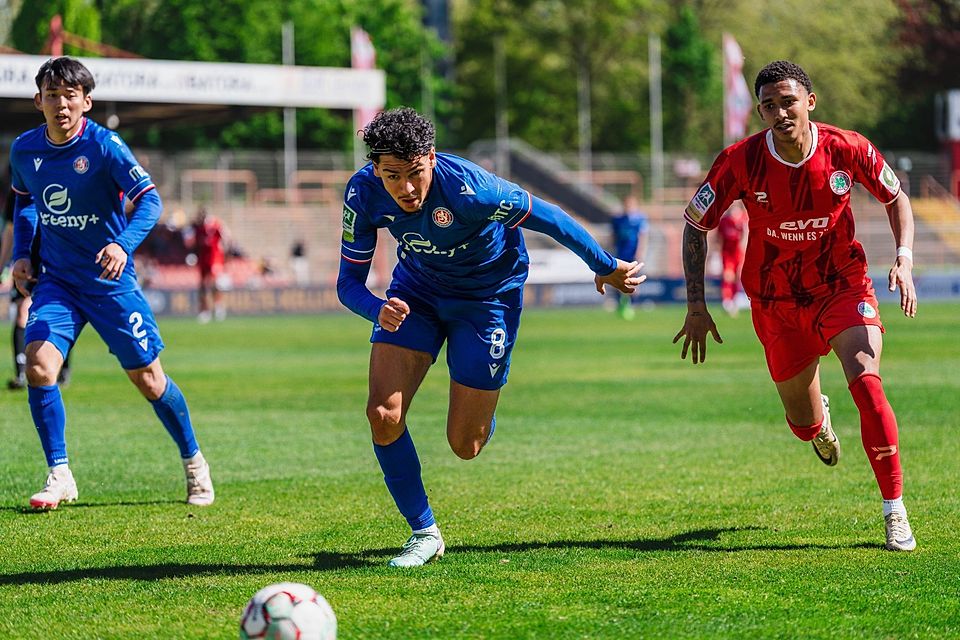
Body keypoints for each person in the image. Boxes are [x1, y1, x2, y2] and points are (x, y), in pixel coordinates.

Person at [338, 107, 644, 567]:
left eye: (415, 173)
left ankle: (483, 402)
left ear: (432, 158)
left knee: (467, 444)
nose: (405, 188)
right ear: (375, 169)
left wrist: (604, 266)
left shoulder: (470, 189)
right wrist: (376, 308)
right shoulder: (362, 193)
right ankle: (424, 533)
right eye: (392, 175)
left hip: (488, 297)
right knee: (383, 414)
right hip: (416, 292)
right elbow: (347, 284)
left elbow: (550, 217)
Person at [673, 60, 917, 551]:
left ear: (810, 101)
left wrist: (904, 259)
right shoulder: (739, 161)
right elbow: (695, 224)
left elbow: (896, 198)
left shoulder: (847, 147)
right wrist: (696, 305)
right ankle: (819, 421)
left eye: (788, 101)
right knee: (803, 427)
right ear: (760, 112)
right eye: (768, 105)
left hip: (841, 286)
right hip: (775, 299)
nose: (779, 112)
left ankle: (895, 510)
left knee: (867, 384)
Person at [9, 56, 214, 509]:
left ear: (86, 101)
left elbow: (149, 200)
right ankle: (59, 473)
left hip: (109, 282)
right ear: (37, 100)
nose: (60, 104)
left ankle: (194, 461)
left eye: (69, 95)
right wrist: (21, 254)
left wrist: (122, 245)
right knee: (39, 364)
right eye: (52, 95)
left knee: (149, 379)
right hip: (58, 281)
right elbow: (24, 203)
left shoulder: (105, 146)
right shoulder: (24, 150)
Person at [1, 189, 73, 389]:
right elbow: (10, 229)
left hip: (53, 259)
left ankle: (62, 367)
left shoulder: (57, 183)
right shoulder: (18, 191)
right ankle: (22, 373)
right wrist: (3, 264)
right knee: (22, 313)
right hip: (27, 262)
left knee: (60, 314)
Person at [610, 194, 649, 319]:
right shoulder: (617, 220)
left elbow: (643, 237)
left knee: (632, 280)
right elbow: (614, 236)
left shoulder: (640, 219)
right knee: (618, 279)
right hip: (621, 254)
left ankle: (631, 304)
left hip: (633, 254)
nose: (629, 207)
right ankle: (620, 303)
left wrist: (640, 252)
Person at [186, 207, 228, 322]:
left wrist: (225, 255)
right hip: (202, 258)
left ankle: (218, 306)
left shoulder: (215, 224)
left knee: (214, 283)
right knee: (203, 285)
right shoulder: (196, 227)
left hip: (214, 257)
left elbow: (225, 237)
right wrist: (192, 254)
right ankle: (204, 310)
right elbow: (190, 242)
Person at [716, 201, 747, 317]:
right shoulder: (724, 221)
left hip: (740, 252)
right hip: (727, 253)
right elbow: (719, 238)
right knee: (728, 276)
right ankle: (727, 301)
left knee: (738, 277)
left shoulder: (744, 219)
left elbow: (747, 236)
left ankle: (735, 300)